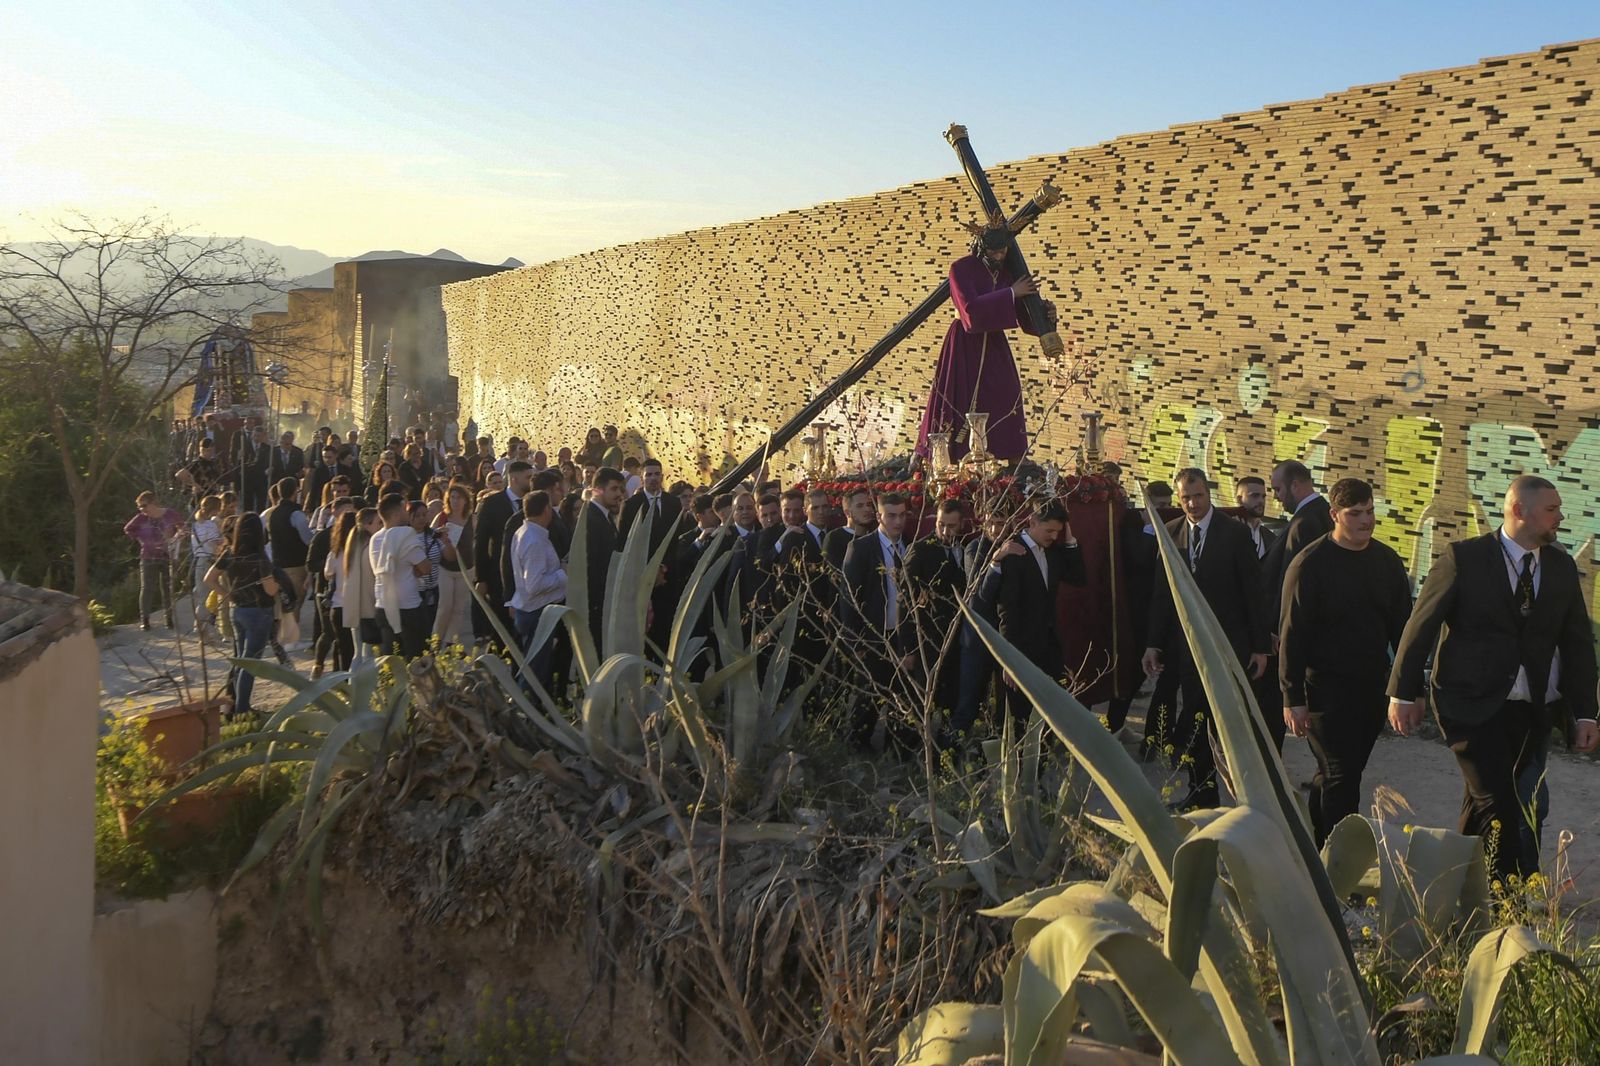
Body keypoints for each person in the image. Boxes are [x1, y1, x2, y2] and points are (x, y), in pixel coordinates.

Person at [1388, 475, 1599, 880]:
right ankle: (1508, 900)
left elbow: (1576, 644)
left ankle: (1460, 891)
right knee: (1501, 805)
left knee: (1503, 803)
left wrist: (1585, 714)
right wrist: (1403, 691)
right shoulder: (1463, 558)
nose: (1560, 518)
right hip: (1470, 706)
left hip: (1533, 710)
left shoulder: (1560, 566)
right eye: (1552, 510)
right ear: (1520, 511)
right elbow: (1422, 626)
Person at [1279, 479, 1412, 844]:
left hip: (1370, 688)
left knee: (1334, 775)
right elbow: (1293, 636)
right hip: (1323, 692)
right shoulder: (1309, 565)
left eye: (1370, 512)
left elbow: (1403, 630)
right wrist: (1293, 699)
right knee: (1342, 774)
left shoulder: (1386, 561)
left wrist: (1407, 688)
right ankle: (1339, 865)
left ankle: (1314, 846)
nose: (1366, 520)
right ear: (1335, 515)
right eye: (1355, 514)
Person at [1142, 469, 1269, 809]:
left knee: (1234, 723)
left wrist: (1260, 647)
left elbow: (1253, 594)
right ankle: (1202, 794)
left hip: (1233, 647)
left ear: (1208, 494)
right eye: (1186, 498)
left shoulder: (1234, 534)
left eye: (1198, 496)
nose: (1192, 504)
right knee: (1197, 719)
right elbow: (1162, 595)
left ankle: (1252, 799)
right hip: (1190, 649)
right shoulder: (1171, 535)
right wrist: (1153, 643)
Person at [914, 222, 1054, 463]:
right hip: (964, 344)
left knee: (1006, 394)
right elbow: (970, 312)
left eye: (1003, 251)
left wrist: (1047, 316)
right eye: (993, 251)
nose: (999, 256)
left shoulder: (1008, 273)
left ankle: (1011, 455)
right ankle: (950, 456)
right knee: (958, 397)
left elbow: (1024, 319)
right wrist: (1010, 293)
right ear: (981, 248)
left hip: (995, 346)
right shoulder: (961, 269)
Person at [989, 500, 1086, 727]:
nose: (1053, 536)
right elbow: (1007, 610)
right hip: (1021, 648)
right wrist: (1009, 660)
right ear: (1032, 522)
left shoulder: (1053, 552)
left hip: (1048, 646)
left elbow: (1079, 578)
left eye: (1058, 532)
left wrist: (1070, 541)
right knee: (1020, 715)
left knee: (1049, 711)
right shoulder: (1013, 552)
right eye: (1049, 530)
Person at [841, 492, 913, 748]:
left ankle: (898, 753)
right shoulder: (861, 548)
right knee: (868, 700)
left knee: (903, 700)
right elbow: (849, 599)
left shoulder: (909, 546)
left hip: (901, 638)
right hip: (873, 638)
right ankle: (857, 751)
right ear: (880, 515)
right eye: (892, 515)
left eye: (902, 515)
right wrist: (856, 644)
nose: (898, 521)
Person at [903, 500, 969, 730]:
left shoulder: (967, 547)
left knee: (953, 698)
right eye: (941, 524)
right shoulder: (921, 549)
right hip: (929, 638)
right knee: (924, 701)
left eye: (951, 526)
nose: (945, 531)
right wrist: (909, 647)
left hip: (960, 637)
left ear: (961, 524)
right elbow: (906, 597)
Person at [205, 513, 278, 719]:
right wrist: (279, 584)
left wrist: (227, 594)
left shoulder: (229, 554)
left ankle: (235, 704)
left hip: (238, 609)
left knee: (240, 660)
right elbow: (270, 590)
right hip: (259, 611)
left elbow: (209, 578)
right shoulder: (259, 557)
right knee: (250, 663)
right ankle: (242, 709)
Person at [1235, 474, 1285, 749]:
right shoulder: (1227, 534)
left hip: (1264, 633)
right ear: (1238, 498)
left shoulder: (1271, 537)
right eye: (1254, 495)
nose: (1261, 501)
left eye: (1264, 496)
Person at [1263, 460, 1332, 644]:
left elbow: (1291, 580)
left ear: (1294, 485)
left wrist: (1279, 627)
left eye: (1278, 489)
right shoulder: (1322, 513)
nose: (1276, 497)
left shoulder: (1304, 524)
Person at [508, 491, 567, 687]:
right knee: (535, 673)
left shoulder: (525, 533)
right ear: (545, 510)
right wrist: (562, 574)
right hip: (537, 613)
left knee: (537, 667)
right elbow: (534, 585)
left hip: (530, 610)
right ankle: (528, 713)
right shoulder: (534, 540)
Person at [474, 459, 533, 645]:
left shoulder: (533, 503)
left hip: (527, 575)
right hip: (499, 575)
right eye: (528, 477)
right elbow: (481, 542)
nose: (531, 482)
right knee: (502, 630)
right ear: (513, 479)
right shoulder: (492, 503)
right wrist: (481, 578)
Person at [369, 493, 431, 659]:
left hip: (383, 604)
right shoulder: (405, 534)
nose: (408, 513)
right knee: (416, 659)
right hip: (408, 607)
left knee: (391, 660)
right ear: (396, 514)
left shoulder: (375, 538)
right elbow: (425, 568)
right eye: (405, 509)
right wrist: (414, 567)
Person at [307, 496, 357, 678]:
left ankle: (338, 676)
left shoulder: (340, 551)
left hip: (339, 600)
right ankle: (320, 665)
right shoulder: (323, 538)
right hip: (329, 595)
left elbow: (328, 571)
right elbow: (311, 564)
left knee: (341, 644)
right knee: (329, 635)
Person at [124, 492, 184, 630]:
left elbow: (183, 528)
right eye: (140, 507)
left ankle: (169, 619)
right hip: (148, 556)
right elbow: (128, 529)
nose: (142, 509)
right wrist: (141, 540)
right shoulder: (141, 518)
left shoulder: (170, 514)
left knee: (167, 588)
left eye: (144, 505)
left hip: (167, 555)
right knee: (147, 588)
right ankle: (145, 619)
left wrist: (175, 539)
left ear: (153, 503)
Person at [583, 468, 627, 652]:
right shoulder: (590, 518)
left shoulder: (606, 517)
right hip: (597, 600)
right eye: (614, 489)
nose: (619, 494)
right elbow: (593, 563)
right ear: (598, 490)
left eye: (620, 489)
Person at [432, 483, 475, 646]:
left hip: (466, 568)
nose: (455, 501)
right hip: (446, 567)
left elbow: (476, 541)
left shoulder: (472, 518)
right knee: (445, 605)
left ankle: (450, 642)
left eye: (459, 498)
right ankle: (435, 641)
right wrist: (441, 537)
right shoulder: (442, 517)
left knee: (458, 608)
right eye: (453, 497)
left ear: (466, 500)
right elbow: (430, 538)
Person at [263, 477, 313, 615]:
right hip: (296, 565)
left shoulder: (270, 514)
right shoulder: (296, 514)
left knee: (281, 608)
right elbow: (307, 539)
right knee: (293, 608)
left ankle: (279, 635)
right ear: (295, 491)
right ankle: (290, 636)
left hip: (277, 564)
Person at [409, 500, 445, 635]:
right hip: (414, 591)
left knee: (432, 628)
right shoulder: (405, 537)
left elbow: (450, 557)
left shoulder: (434, 535)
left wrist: (446, 540)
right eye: (417, 515)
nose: (422, 518)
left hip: (433, 589)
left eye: (425, 514)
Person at [825, 487, 877, 570]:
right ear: (847, 512)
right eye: (860, 506)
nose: (867, 509)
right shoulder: (835, 538)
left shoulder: (876, 534)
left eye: (869, 504)